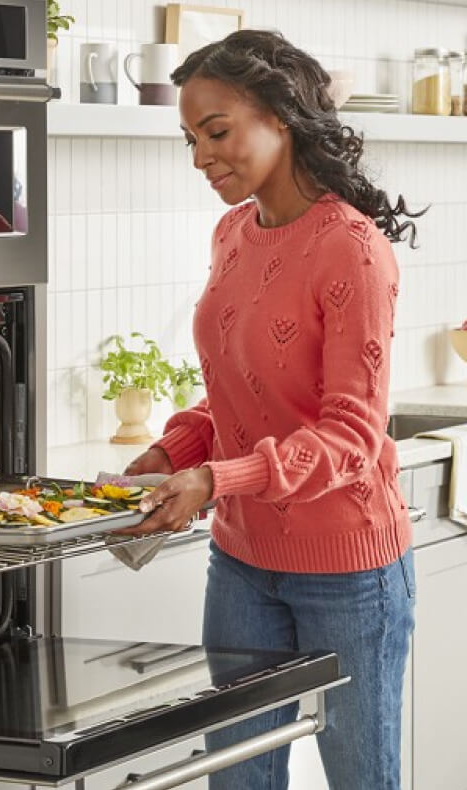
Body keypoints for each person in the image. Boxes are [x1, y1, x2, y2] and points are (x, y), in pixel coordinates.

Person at [114, 29, 426, 790]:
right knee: (238, 779)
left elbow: (351, 434)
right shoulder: (232, 234)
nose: (200, 157)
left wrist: (218, 481)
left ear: (281, 116)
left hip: (348, 569)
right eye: (190, 138)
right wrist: (178, 450)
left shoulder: (350, 247)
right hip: (244, 564)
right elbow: (239, 386)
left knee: (360, 779)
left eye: (216, 132)